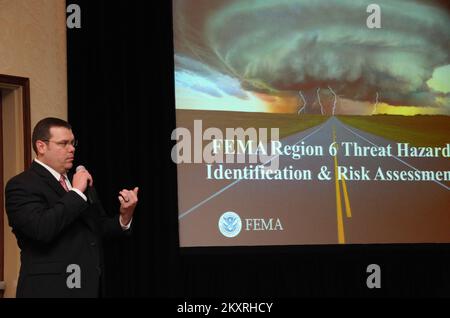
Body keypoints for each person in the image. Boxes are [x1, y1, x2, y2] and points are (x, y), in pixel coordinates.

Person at [5, 117, 138, 297]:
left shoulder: (79, 182)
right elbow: (41, 229)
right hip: (50, 291)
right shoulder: (21, 185)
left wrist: (125, 216)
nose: (72, 148)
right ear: (41, 146)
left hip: (89, 287)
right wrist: (76, 192)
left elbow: (97, 229)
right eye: (63, 143)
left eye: (73, 142)